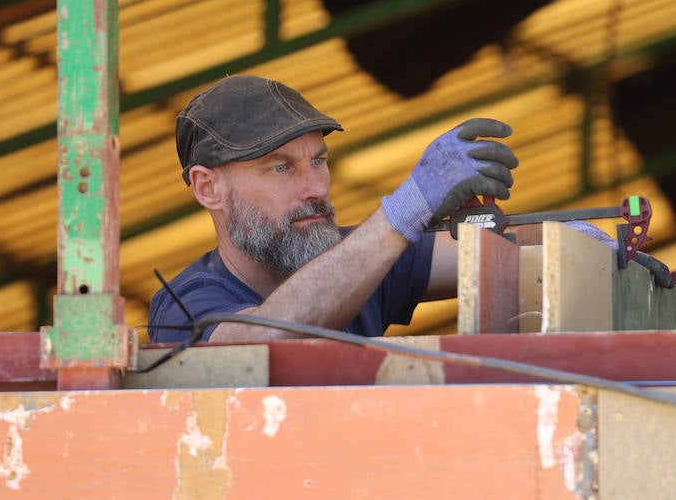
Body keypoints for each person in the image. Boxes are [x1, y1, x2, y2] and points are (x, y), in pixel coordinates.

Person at [146, 75, 519, 343]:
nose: (316, 188)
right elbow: (263, 338)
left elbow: (503, 257)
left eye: (319, 161)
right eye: (281, 167)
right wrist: (406, 208)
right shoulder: (185, 304)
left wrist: (569, 240)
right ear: (208, 188)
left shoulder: (364, 255)